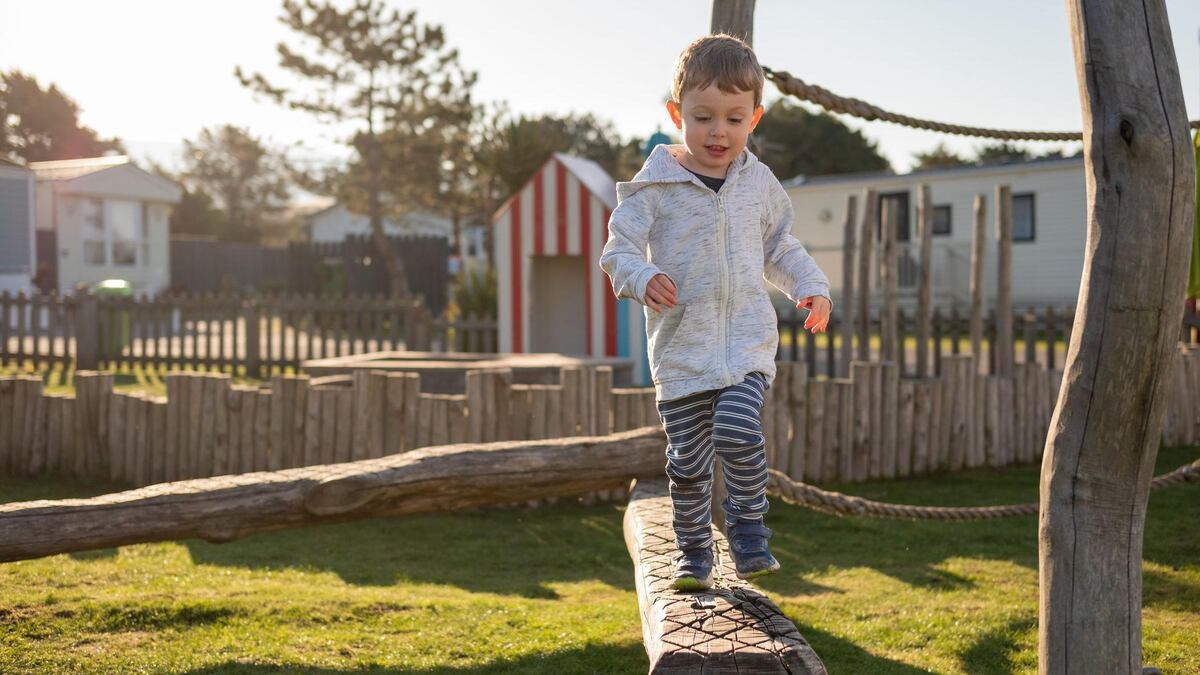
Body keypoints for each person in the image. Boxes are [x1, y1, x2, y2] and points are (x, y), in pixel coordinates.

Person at [598, 33, 833, 591]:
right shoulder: (654, 187)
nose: (718, 132)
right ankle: (694, 555)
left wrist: (811, 286)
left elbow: (780, 247)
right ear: (677, 113)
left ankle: (750, 531)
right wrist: (642, 276)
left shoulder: (759, 183)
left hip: (747, 345)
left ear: (755, 117)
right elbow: (618, 252)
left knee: (738, 427)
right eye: (703, 117)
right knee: (687, 464)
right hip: (682, 354)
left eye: (734, 118)